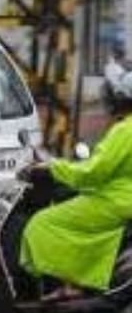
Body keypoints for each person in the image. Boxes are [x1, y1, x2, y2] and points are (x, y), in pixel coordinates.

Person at [20, 62, 132, 300]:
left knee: (43, 222)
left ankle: (70, 286)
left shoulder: (125, 130)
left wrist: (53, 167)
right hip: (120, 199)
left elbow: (93, 173)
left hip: (116, 201)